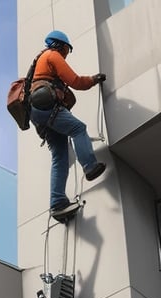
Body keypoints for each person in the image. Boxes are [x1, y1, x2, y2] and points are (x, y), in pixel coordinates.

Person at [29, 30, 107, 222]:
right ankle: (90, 166)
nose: (66, 54)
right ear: (61, 45)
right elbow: (75, 81)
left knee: (60, 156)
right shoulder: (52, 55)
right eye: (67, 50)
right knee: (78, 128)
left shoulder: (40, 61)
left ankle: (57, 203)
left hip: (38, 113)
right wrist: (94, 79)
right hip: (47, 106)